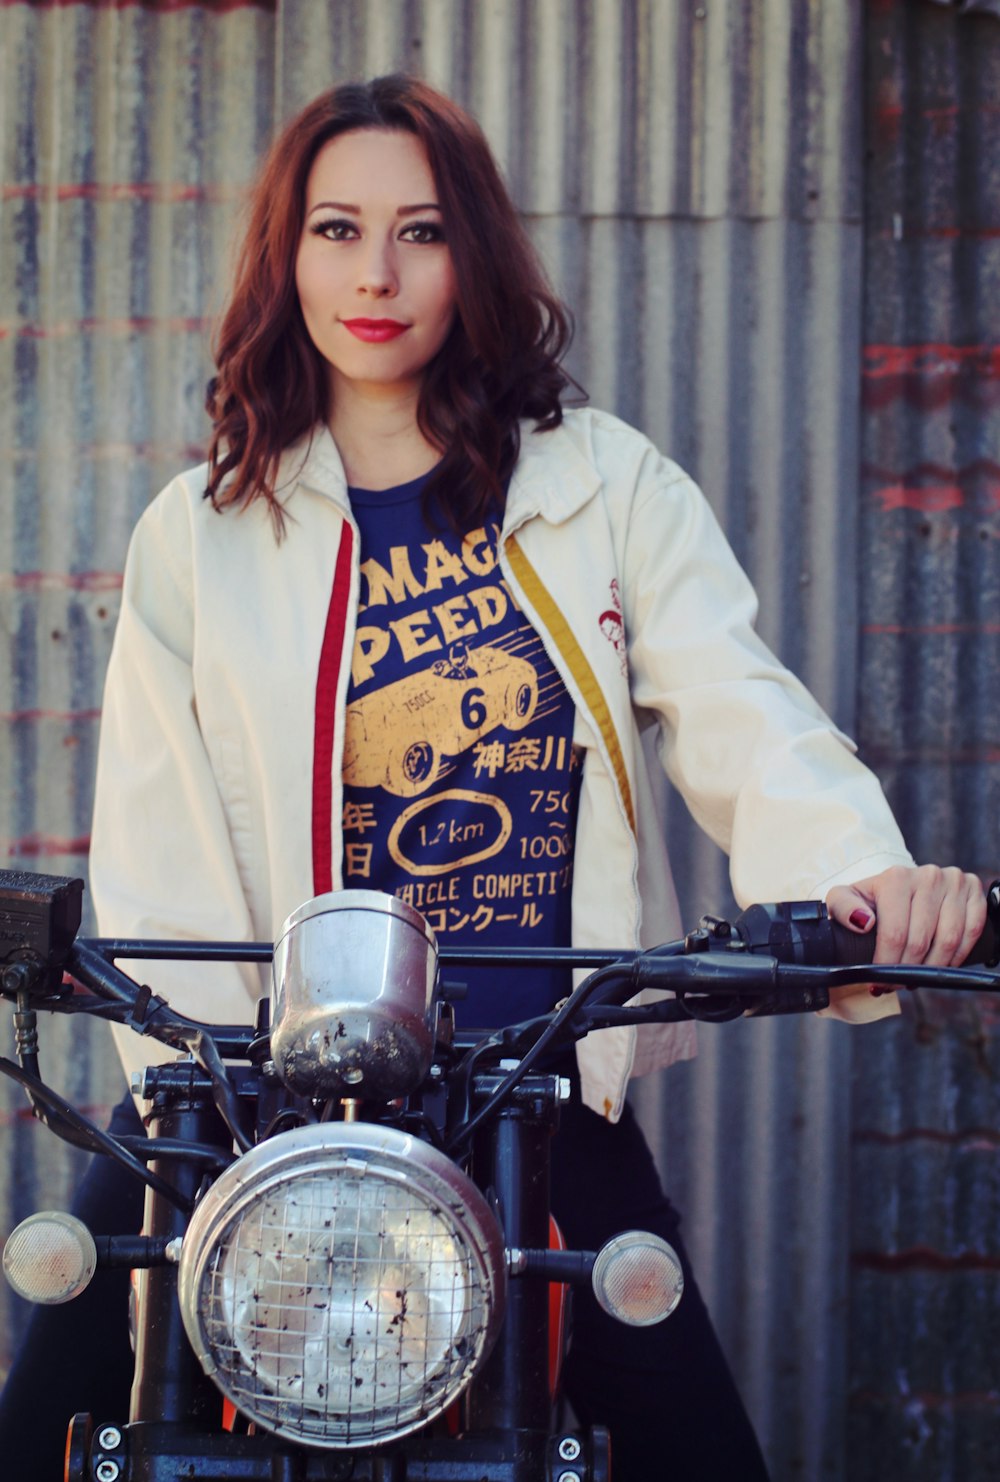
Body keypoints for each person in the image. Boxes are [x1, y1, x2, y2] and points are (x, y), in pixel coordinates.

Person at [1, 75, 985, 1481]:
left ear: (475, 252)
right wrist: (195, 1089)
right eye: (338, 230)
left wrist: (860, 882)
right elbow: (158, 826)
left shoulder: (604, 487)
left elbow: (740, 706)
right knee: (57, 1410)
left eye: (421, 232)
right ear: (289, 255)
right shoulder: (205, 531)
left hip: (527, 1078)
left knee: (697, 1447)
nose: (377, 274)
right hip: (259, 1098)